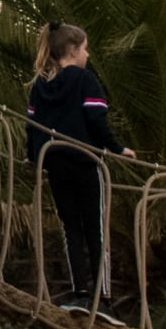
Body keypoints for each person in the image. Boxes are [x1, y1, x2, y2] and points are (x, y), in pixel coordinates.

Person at [23, 23, 119, 311]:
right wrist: (117, 148)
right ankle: (103, 297)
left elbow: (33, 127)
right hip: (86, 162)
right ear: (74, 50)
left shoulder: (41, 85)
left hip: (55, 164)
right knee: (96, 230)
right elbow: (95, 120)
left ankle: (80, 293)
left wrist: (33, 158)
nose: (88, 54)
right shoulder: (84, 79)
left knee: (71, 229)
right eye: (86, 48)